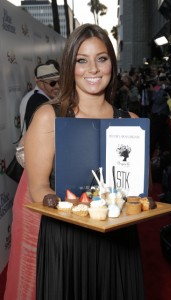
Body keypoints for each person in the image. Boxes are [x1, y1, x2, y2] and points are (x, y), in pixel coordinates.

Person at [4, 24, 144, 300]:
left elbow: (141, 188)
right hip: (67, 240)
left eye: (101, 59)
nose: (93, 69)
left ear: (112, 65)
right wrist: (73, 208)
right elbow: (39, 188)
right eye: (82, 60)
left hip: (118, 238)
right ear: (70, 65)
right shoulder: (48, 117)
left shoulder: (131, 121)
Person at [20, 61, 60, 134]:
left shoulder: (43, 98)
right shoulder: (38, 102)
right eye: (52, 83)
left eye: (59, 82)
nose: (57, 86)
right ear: (40, 84)